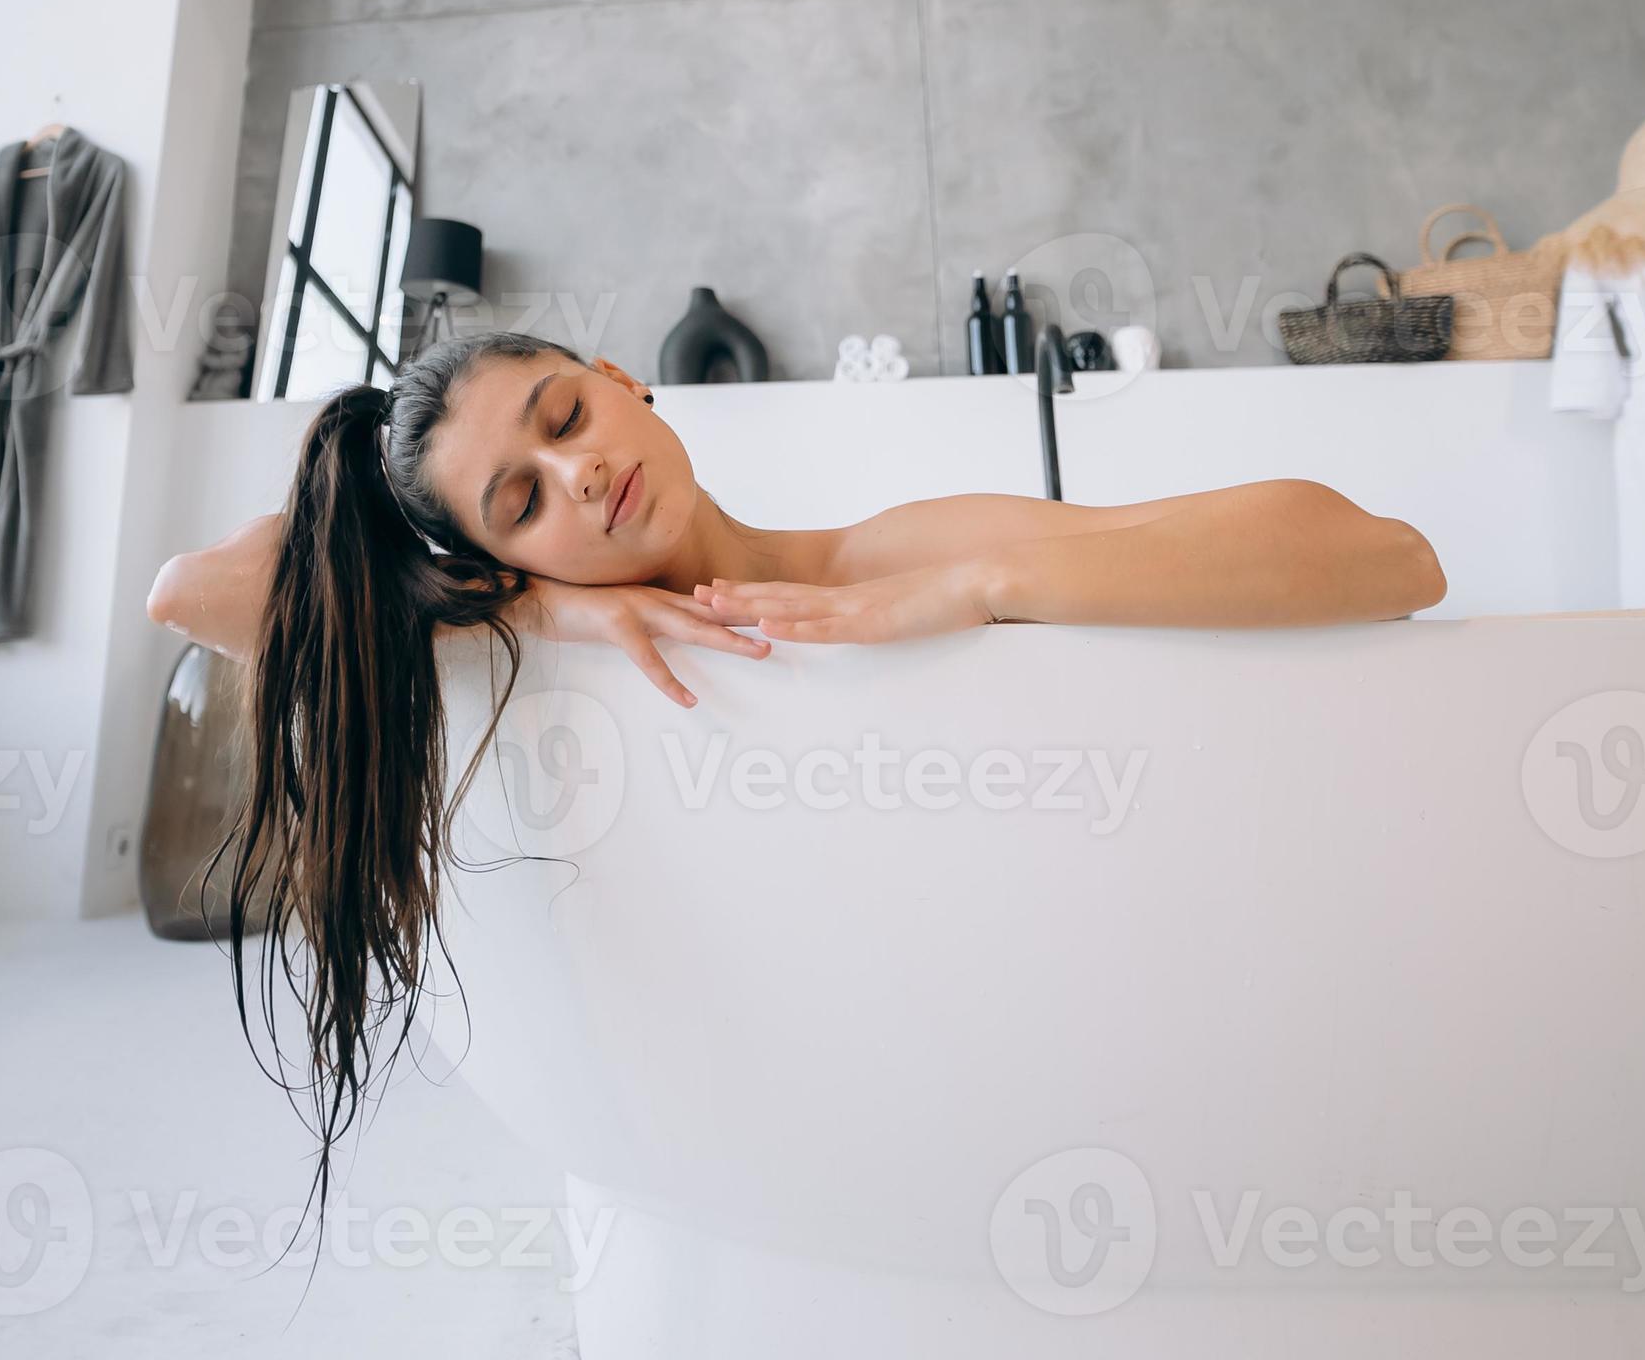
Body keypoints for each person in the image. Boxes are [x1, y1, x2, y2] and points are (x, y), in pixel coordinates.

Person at [147, 331, 1443, 1208]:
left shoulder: (879, 554)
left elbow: (1384, 556)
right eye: (522, 501)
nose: (578, 469)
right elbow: (184, 594)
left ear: (620, 379)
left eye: (565, 417)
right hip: (810, 1131)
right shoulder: (518, 640)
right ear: (490, 564)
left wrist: (979, 587)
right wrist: (548, 613)